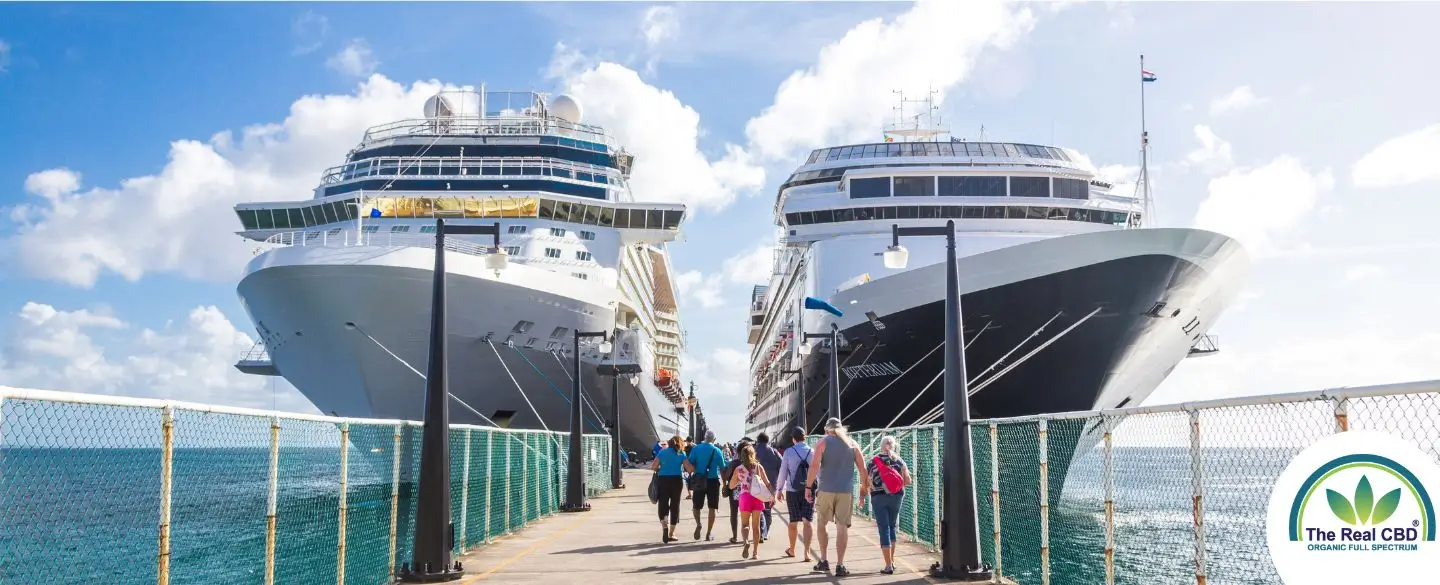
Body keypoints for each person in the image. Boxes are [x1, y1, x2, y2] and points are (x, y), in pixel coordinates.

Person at [805, 418, 868, 577]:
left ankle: (824, 560)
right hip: (845, 491)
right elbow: (863, 469)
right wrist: (863, 490)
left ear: (827, 430)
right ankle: (840, 564)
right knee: (842, 527)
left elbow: (814, 466)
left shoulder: (823, 442)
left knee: (822, 523)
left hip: (826, 490)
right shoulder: (852, 444)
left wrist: (808, 487)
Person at [863, 435, 913, 575]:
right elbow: (907, 481)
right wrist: (893, 486)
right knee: (891, 527)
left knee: (883, 528)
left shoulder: (873, 461)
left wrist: (866, 493)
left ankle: (888, 565)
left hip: (878, 497)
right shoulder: (899, 460)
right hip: (896, 497)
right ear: (894, 446)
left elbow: (867, 481)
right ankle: (892, 561)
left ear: (881, 445)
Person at [774, 426, 814, 561]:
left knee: (793, 521)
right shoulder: (812, 451)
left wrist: (779, 489)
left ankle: (792, 549)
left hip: (792, 490)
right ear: (805, 437)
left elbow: (783, 472)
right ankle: (807, 552)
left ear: (793, 438)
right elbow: (818, 471)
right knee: (807, 521)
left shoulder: (789, 452)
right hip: (809, 490)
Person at [729, 442, 774, 560]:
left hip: (745, 497)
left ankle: (745, 541)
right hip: (757, 497)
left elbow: (731, 486)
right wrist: (772, 495)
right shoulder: (758, 467)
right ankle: (755, 553)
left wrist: (739, 481)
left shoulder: (739, 469)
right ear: (753, 454)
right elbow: (767, 482)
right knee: (756, 526)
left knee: (745, 524)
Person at [684, 429, 727, 541]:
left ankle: (698, 524)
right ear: (714, 439)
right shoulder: (717, 450)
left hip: (699, 479)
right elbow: (722, 469)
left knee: (696, 506)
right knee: (712, 507)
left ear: (704, 437)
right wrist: (725, 484)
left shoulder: (696, 448)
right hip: (713, 481)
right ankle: (708, 533)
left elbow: (690, 463)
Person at [650, 435, 688, 543]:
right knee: (675, 505)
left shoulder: (662, 452)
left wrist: (660, 468)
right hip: (677, 480)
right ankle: (671, 533)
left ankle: (664, 523)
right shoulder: (681, 453)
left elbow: (653, 467)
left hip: (663, 480)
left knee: (663, 503)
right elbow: (689, 468)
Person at [753, 432, 783, 542]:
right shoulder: (774, 452)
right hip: (771, 485)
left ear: (758, 440)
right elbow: (782, 467)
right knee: (767, 509)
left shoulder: (753, 450)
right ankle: (765, 533)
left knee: (758, 509)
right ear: (767, 440)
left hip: (755, 485)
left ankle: (761, 532)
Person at [721, 437, 752, 543]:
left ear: (738, 451)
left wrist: (726, 483)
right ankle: (747, 538)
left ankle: (734, 536)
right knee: (748, 514)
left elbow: (726, 476)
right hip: (749, 492)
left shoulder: (734, 463)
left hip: (735, 491)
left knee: (734, 513)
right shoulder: (754, 464)